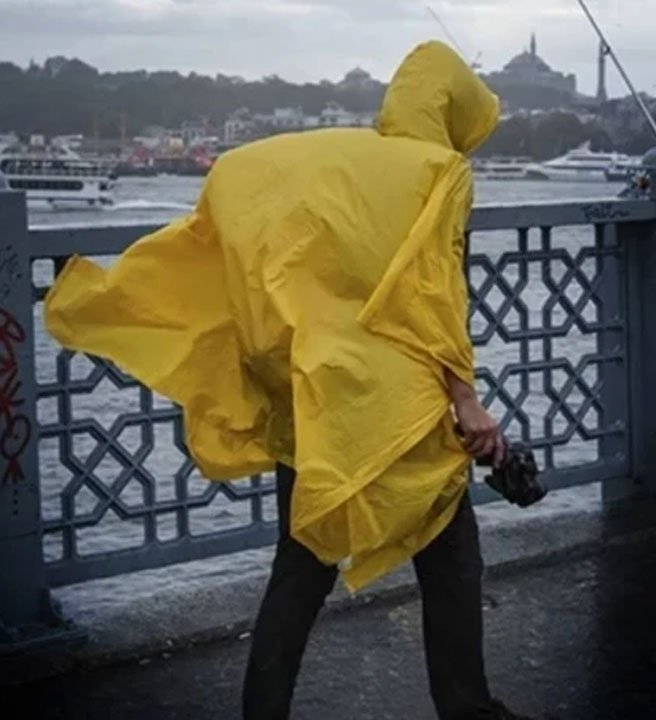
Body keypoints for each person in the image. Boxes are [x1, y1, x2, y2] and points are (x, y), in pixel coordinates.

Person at [43, 42, 535, 719]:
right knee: (451, 563)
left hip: (307, 394)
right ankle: (467, 708)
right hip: (398, 409)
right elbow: (432, 300)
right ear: (454, 110)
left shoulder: (336, 164)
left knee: (300, 569)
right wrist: (467, 400)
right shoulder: (439, 174)